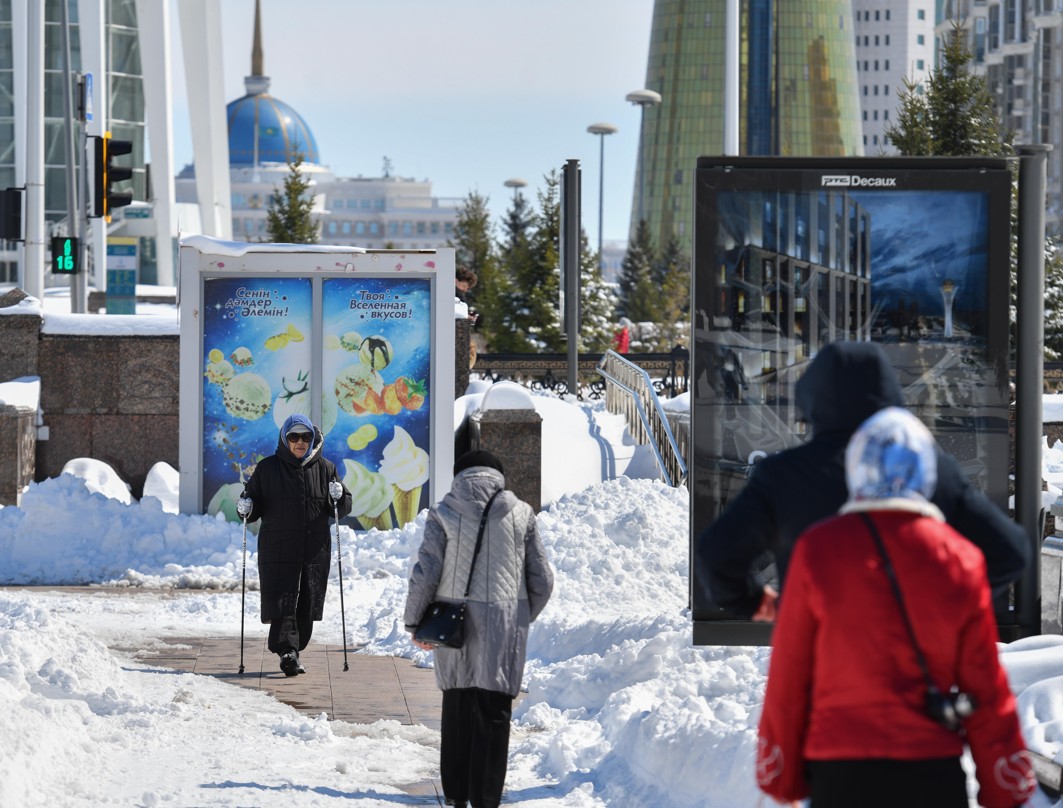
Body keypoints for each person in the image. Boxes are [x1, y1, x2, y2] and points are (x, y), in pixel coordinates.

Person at [756, 407, 1035, 808]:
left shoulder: (817, 550)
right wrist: (1004, 781)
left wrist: (780, 772)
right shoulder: (959, 558)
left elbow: (791, 671)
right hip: (930, 771)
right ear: (926, 473)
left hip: (840, 773)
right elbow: (984, 684)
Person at [695, 340, 1029, 622]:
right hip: (913, 676)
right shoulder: (932, 471)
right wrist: (942, 608)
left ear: (811, 397)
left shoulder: (783, 475)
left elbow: (716, 556)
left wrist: (755, 602)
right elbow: (1010, 552)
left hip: (820, 667)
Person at [404, 450, 554, 808]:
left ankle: (456, 796)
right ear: (499, 476)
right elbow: (543, 581)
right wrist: (516, 617)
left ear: (460, 476)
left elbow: (426, 573)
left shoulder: (444, 512)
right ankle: (486, 799)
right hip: (503, 630)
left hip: (454, 628)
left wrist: (415, 622)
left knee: (457, 708)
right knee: (494, 711)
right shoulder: (521, 513)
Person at [237, 413, 352, 676]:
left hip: (314, 547)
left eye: (306, 437)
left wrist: (340, 498)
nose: (300, 442)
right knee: (281, 597)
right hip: (278, 545)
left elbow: (341, 507)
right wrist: (246, 507)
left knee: (309, 600)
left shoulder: (326, 468)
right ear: (284, 439)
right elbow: (251, 507)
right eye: (294, 437)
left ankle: (295, 648)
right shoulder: (267, 469)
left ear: (313, 439)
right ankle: (287, 651)